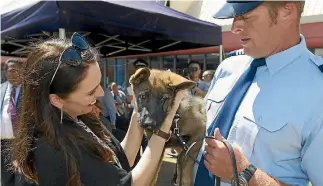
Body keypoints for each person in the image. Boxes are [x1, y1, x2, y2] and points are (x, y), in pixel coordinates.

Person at [11, 32, 185, 186]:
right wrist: (164, 127)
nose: (101, 92)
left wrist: (139, 109)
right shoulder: (56, 148)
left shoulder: (80, 117)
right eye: (91, 91)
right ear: (56, 100)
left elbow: (123, 159)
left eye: (99, 83)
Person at [194, 1, 323, 186]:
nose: (234, 28)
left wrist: (243, 172)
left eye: (246, 16)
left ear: (286, 11)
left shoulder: (318, 91)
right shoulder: (227, 68)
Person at [1, 58, 36, 186]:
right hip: (4, 144)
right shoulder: (0, 90)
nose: (15, 73)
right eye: (11, 70)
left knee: (24, 180)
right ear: (6, 72)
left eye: (19, 70)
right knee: (6, 179)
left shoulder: (31, 92)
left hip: (25, 144)